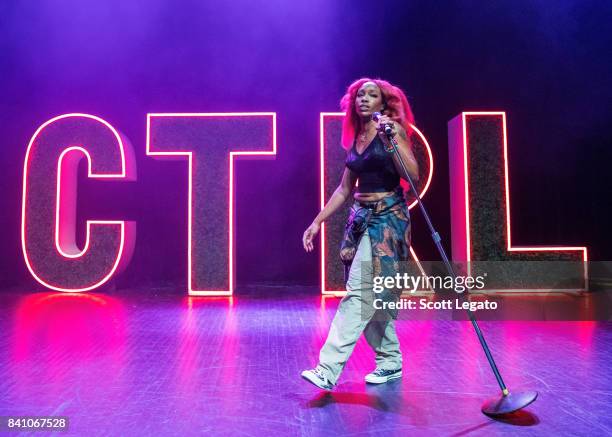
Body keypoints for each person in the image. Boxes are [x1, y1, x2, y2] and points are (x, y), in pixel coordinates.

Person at [301, 78, 419, 390]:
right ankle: (390, 361)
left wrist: (392, 137)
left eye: (372, 95)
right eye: (359, 95)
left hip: (388, 221)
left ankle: (327, 369)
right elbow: (343, 190)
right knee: (373, 297)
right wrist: (317, 222)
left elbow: (413, 175)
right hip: (360, 220)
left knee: (360, 293)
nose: (364, 99)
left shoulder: (391, 131)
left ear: (384, 102)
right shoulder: (359, 139)